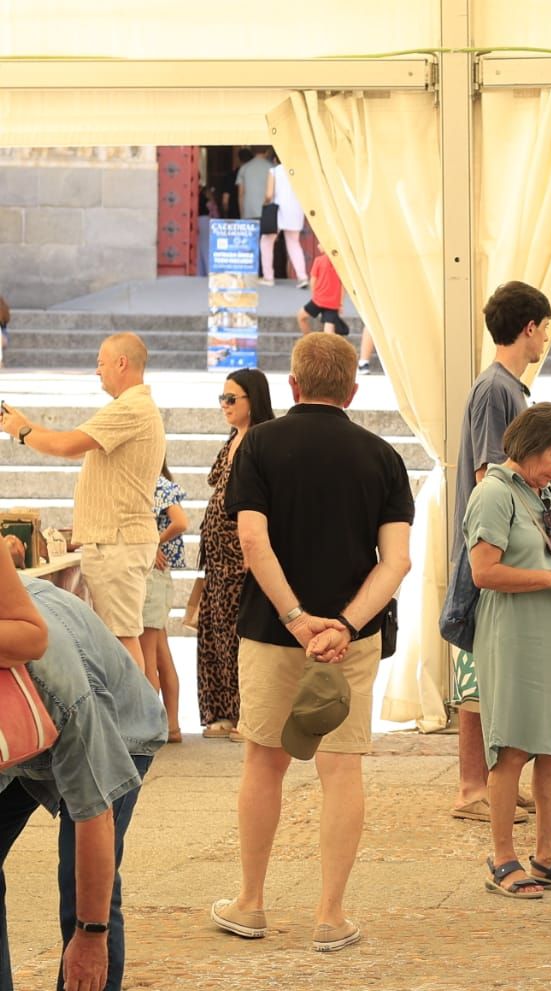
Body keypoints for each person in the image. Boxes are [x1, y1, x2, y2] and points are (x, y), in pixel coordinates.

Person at [209, 333, 413, 952]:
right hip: (350, 639)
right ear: (353, 390)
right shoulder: (382, 456)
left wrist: (296, 618)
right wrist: (344, 625)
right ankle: (331, 914)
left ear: (292, 386)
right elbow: (396, 562)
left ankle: (250, 902)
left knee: (263, 760)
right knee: (342, 768)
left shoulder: (261, 445)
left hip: (272, 630)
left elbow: (251, 542)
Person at [0, 549, 165, 991]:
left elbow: (95, 814)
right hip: (20, 728)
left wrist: (90, 938)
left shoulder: (60, 689)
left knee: (86, 901)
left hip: (118, 729)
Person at [466, 403, 551, 898]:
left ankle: (547, 853)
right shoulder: (494, 493)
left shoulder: (539, 495)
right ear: (530, 447)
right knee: (513, 744)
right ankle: (502, 856)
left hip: (546, 633)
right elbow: (485, 572)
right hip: (511, 632)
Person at [0, 333, 167, 674]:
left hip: (117, 541)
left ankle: (134, 724)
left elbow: (66, 445)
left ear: (122, 363)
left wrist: (22, 431)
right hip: (114, 538)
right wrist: (23, 425)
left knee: (120, 639)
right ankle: (133, 722)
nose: (97, 372)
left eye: (100, 363)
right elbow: (73, 445)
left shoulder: (130, 408)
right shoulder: (132, 407)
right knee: (117, 636)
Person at [449, 281, 550, 825]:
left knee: (496, 670)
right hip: (489, 546)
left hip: (501, 543)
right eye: (544, 329)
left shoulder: (507, 386)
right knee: (478, 673)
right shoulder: (497, 389)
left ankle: (494, 778)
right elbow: (493, 471)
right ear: (528, 327)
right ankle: (472, 785)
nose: (544, 341)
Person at [196, 368, 274, 739]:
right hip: (217, 559)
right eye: (221, 399)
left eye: (232, 399)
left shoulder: (261, 440)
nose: (224, 406)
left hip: (241, 557)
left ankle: (249, 713)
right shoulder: (233, 439)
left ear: (252, 400)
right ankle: (223, 711)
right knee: (215, 633)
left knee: (241, 635)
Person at [142, 461, 188, 743]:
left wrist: (153, 542)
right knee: (160, 654)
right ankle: (171, 725)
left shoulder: (155, 485)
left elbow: (181, 522)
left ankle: (152, 727)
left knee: (149, 655)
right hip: (158, 576)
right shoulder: (159, 484)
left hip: (151, 576)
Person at [260, 159, 307, 286]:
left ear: (275, 159)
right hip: (296, 210)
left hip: (278, 211)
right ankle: (302, 277)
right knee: (293, 243)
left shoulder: (274, 171)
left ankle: (268, 277)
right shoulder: (300, 171)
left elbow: (269, 194)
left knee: (266, 241)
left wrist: (265, 203)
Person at [297, 252, 350, 337]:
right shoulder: (341, 263)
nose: (318, 246)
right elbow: (344, 286)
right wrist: (341, 303)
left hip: (318, 300)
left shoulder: (319, 260)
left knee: (301, 317)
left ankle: (308, 339)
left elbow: (313, 281)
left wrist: (314, 295)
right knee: (328, 332)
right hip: (333, 303)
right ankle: (311, 341)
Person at [234, 146, 273, 229]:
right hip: (268, 212)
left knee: (250, 241)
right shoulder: (272, 168)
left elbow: (241, 194)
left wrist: (242, 214)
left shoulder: (244, 168)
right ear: (267, 152)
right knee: (266, 241)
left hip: (249, 212)